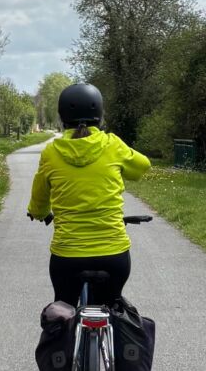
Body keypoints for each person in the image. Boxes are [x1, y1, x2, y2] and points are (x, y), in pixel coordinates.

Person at [27, 81, 151, 303]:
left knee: (63, 310)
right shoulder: (113, 145)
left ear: (62, 117)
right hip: (114, 255)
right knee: (113, 306)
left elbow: (39, 198)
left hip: (67, 256)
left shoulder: (51, 153)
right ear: (100, 115)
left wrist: (39, 212)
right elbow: (142, 167)